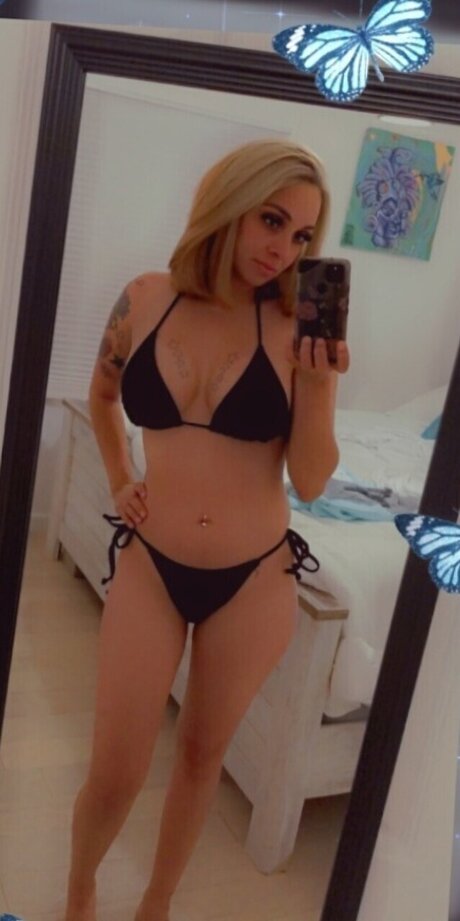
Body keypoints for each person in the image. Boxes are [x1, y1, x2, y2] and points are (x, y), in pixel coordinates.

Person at [63, 138, 350, 921]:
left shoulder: (296, 326)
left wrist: (319, 386)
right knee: (116, 769)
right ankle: (81, 890)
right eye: (271, 220)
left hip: (254, 578)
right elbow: (101, 397)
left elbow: (313, 479)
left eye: (301, 235)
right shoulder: (144, 297)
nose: (283, 248)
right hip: (152, 564)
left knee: (199, 757)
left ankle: (155, 905)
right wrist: (120, 477)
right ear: (229, 203)